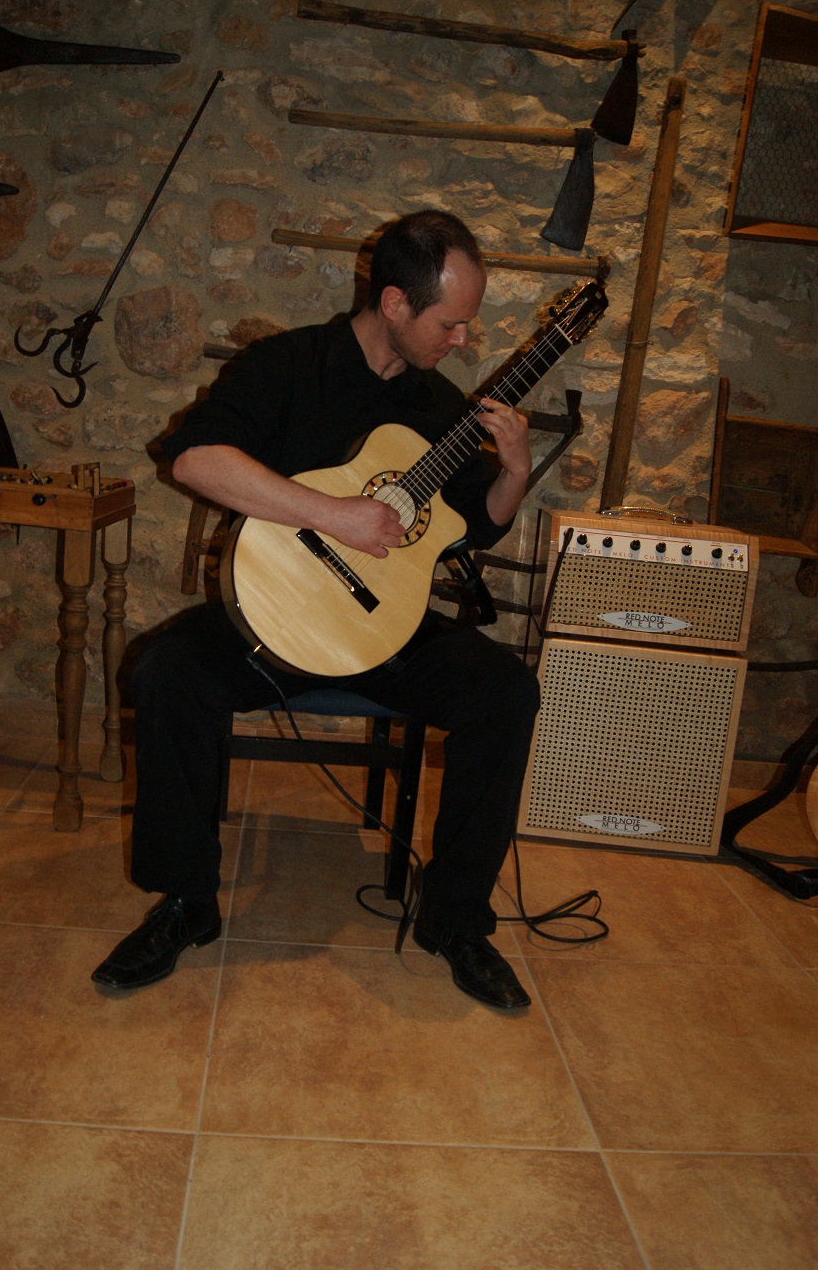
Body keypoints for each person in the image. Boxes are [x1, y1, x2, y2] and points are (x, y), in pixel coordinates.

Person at [92, 210, 540, 1011]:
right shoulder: (286, 364)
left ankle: (455, 919)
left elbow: (472, 523)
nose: (464, 340)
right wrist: (334, 516)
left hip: (379, 625)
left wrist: (512, 469)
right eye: (451, 322)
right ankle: (186, 904)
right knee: (166, 670)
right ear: (396, 304)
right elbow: (196, 459)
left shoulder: (439, 407)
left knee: (504, 689)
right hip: (270, 618)